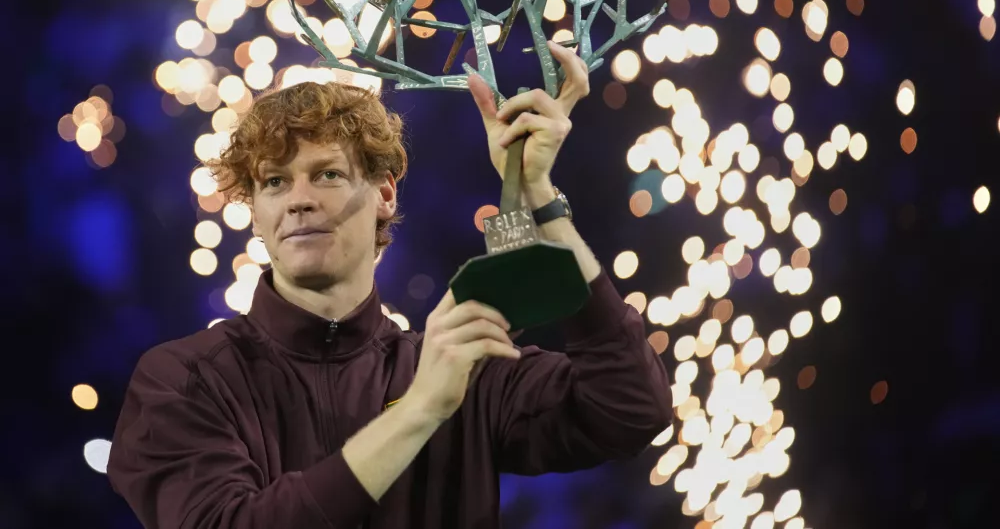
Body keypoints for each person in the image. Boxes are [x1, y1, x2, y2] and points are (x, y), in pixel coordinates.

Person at [107, 41, 672, 529]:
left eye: (327, 174)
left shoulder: (459, 369)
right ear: (254, 210)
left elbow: (630, 408)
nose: (300, 199)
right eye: (275, 182)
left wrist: (538, 195)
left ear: (385, 193)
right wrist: (420, 408)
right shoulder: (183, 380)